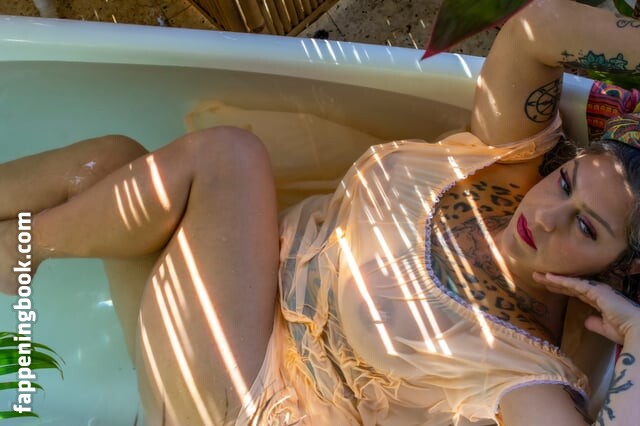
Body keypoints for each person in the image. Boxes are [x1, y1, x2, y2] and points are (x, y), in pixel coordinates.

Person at [1, 0, 640, 424]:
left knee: (226, 159)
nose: (547, 215)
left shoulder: (524, 372)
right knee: (111, 165)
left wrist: (637, 337)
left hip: (241, 403)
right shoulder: (506, 159)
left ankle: (16, 250)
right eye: (567, 183)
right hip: (228, 314)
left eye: (587, 228)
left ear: (621, 267)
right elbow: (538, 28)